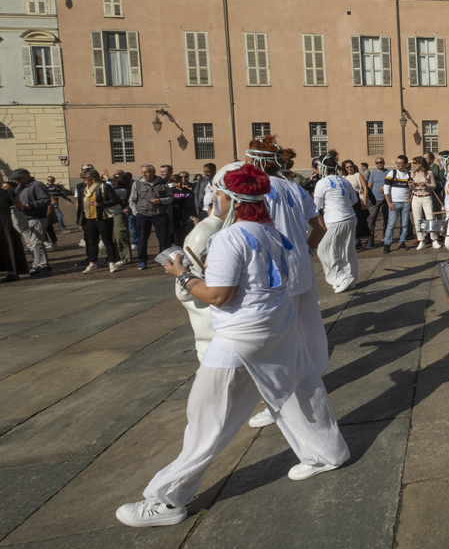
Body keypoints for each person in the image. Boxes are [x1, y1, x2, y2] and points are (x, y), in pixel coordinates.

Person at [118, 164, 349, 528]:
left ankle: (167, 500)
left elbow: (220, 297)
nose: (214, 199)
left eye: (219, 194)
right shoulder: (271, 232)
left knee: (207, 419)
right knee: (298, 388)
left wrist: (184, 275)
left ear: (233, 199)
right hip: (278, 325)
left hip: (240, 337)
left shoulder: (230, 237)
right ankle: (328, 451)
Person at [246, 135, 329, 429]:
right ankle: (313, 376)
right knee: (308, 327)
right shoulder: (294, 187)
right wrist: (305, 250)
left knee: (278, 339)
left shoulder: (259, 189)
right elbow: (319, 227)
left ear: (256, 161)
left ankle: (283, 398)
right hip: (301, 267)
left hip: (275, 273)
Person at [312, 151, 357, 293]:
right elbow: (354, 200)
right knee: (346, 249)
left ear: (323, 167)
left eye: (319, 165)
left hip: (335, 220)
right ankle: (350, 279)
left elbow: (316, 206)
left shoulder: (322, 183)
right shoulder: (344, 180)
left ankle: (341, 278)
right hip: (350, 218)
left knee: (323, 250)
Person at [130, 164, 172, 269]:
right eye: (142, 172)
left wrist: (162, 201)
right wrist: (136, 212)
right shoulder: (137, 183)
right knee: (142, 239)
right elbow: (132, 200)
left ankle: (164, 260)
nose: (144, 174)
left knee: (163, 238)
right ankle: (142, 260)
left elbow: (170, 197)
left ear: (153, 172)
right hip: (143, 214)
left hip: (160, 214)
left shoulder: (163, 182)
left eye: (147, 172)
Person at [10, 169, 51, 276]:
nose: (17, 180)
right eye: (15, 179)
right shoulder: (19, 187)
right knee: (30, 244)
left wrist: (28, 205)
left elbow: (46, 200)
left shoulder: (36, 185)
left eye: (19, 178)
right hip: (24, 218)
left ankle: (43, 266)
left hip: (36, 217)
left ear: (27, 176)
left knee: (36, 243)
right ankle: (36, 264)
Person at [78, 168, 120, 273]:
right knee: (92, 243)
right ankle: (92, 264)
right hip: (89, 219)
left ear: (93, 177)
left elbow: (114, 200)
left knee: (107, 241)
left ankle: (112, 263)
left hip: (103, 218)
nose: (83, 179)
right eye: (82, 177)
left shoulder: (104, 187)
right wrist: (80, 222)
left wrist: (100, 204)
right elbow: (80, 206)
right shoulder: (84, 188)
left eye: (85, 177)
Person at [382, 155, 413, 254]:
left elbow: (413, 189)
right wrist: (389, 203)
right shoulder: (392, 173)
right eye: (397, 163)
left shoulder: (410, 174)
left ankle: (402, 243)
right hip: (394, 203)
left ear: (406, 164)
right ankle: (387, 244)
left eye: (400, 163)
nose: (398, 165)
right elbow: (386, 189)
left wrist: (411, 198)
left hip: (405, 203)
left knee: (404, 224)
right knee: (391, 224)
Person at [408, 156, 439, 249]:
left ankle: (434, 239)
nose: (413, 165)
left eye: (415, 163)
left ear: (420, 163)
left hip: (426, 197)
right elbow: (413, 188)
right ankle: (421, 240)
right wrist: (411, 186)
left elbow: (434, 186)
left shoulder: (429, 173)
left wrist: (425, 184)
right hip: (416, 197)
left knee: (430, 218)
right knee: (417, 220)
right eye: (413, 163)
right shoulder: (413, 174)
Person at [0, 180, 27, 282]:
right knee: (10, 248)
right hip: (7, 224)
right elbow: (20, 207)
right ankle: (13, 273)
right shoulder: (9, 193)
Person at [341, 159, 371, 250]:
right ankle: (357, 240)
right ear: (345, 168)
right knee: (354, 222)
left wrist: (364, 202)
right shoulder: (344, 178)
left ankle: (369, 239)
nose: (350, 168)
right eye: (347, 167)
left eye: (351, 166)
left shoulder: (358, 175)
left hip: (360, 200)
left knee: (362, 221)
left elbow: (365, 188)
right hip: (351, 203)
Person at [366, 158, 388, 248]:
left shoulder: (389, 172)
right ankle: (370, 239)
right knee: (371, 219)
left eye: (381, 162)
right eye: (377, 163)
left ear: (384, 162)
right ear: (375, 164)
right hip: (375, 199)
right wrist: (370, 197)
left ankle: (386, 237)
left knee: (387, 219)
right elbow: (369, 185)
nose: (379, 164)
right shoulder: (373, 173)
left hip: (387, 199)